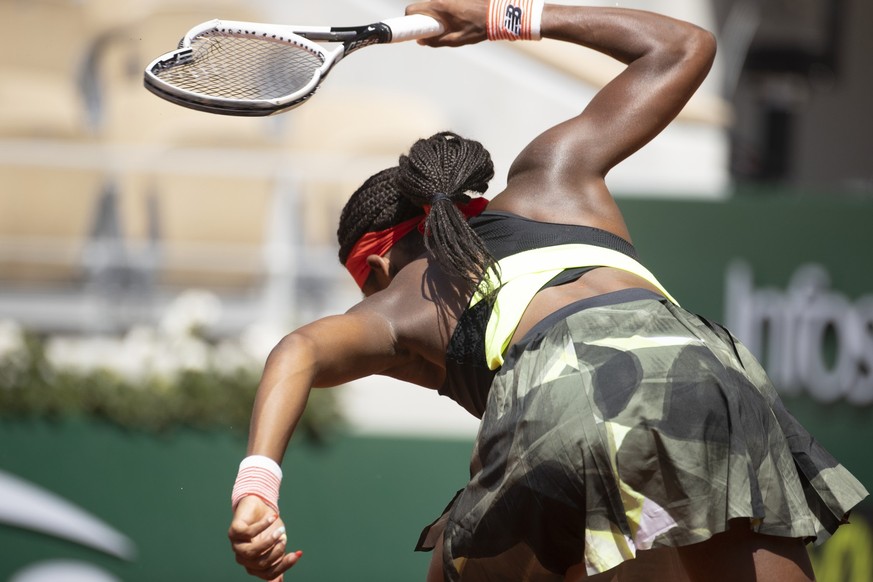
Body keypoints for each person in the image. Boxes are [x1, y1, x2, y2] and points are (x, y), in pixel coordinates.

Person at [227, 1, 868, 580]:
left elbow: (298, 351)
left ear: (375, 265)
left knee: (460, 554)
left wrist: (257, 485)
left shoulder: (396, 304)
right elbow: (686, 45)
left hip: (568, 405)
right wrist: (506, 17)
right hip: (709, 376)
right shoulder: (555, 175)